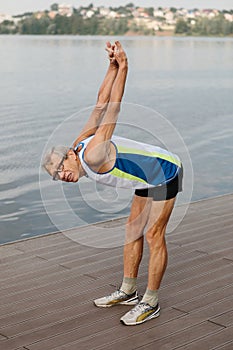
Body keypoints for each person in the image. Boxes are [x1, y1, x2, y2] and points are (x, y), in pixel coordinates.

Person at [42, 41, 183, 326]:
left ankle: (151, 302)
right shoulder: (79, 145)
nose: (62, 176)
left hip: (165, 170)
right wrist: (111, 66)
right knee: (132, 230)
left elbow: (113, 110)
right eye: (56, 176)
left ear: (70, 156)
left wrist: (125, 66)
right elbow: (100, 103)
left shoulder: (91, 154)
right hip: (144, 177)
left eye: (61, 168)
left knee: (154, 236)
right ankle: (128, 291)